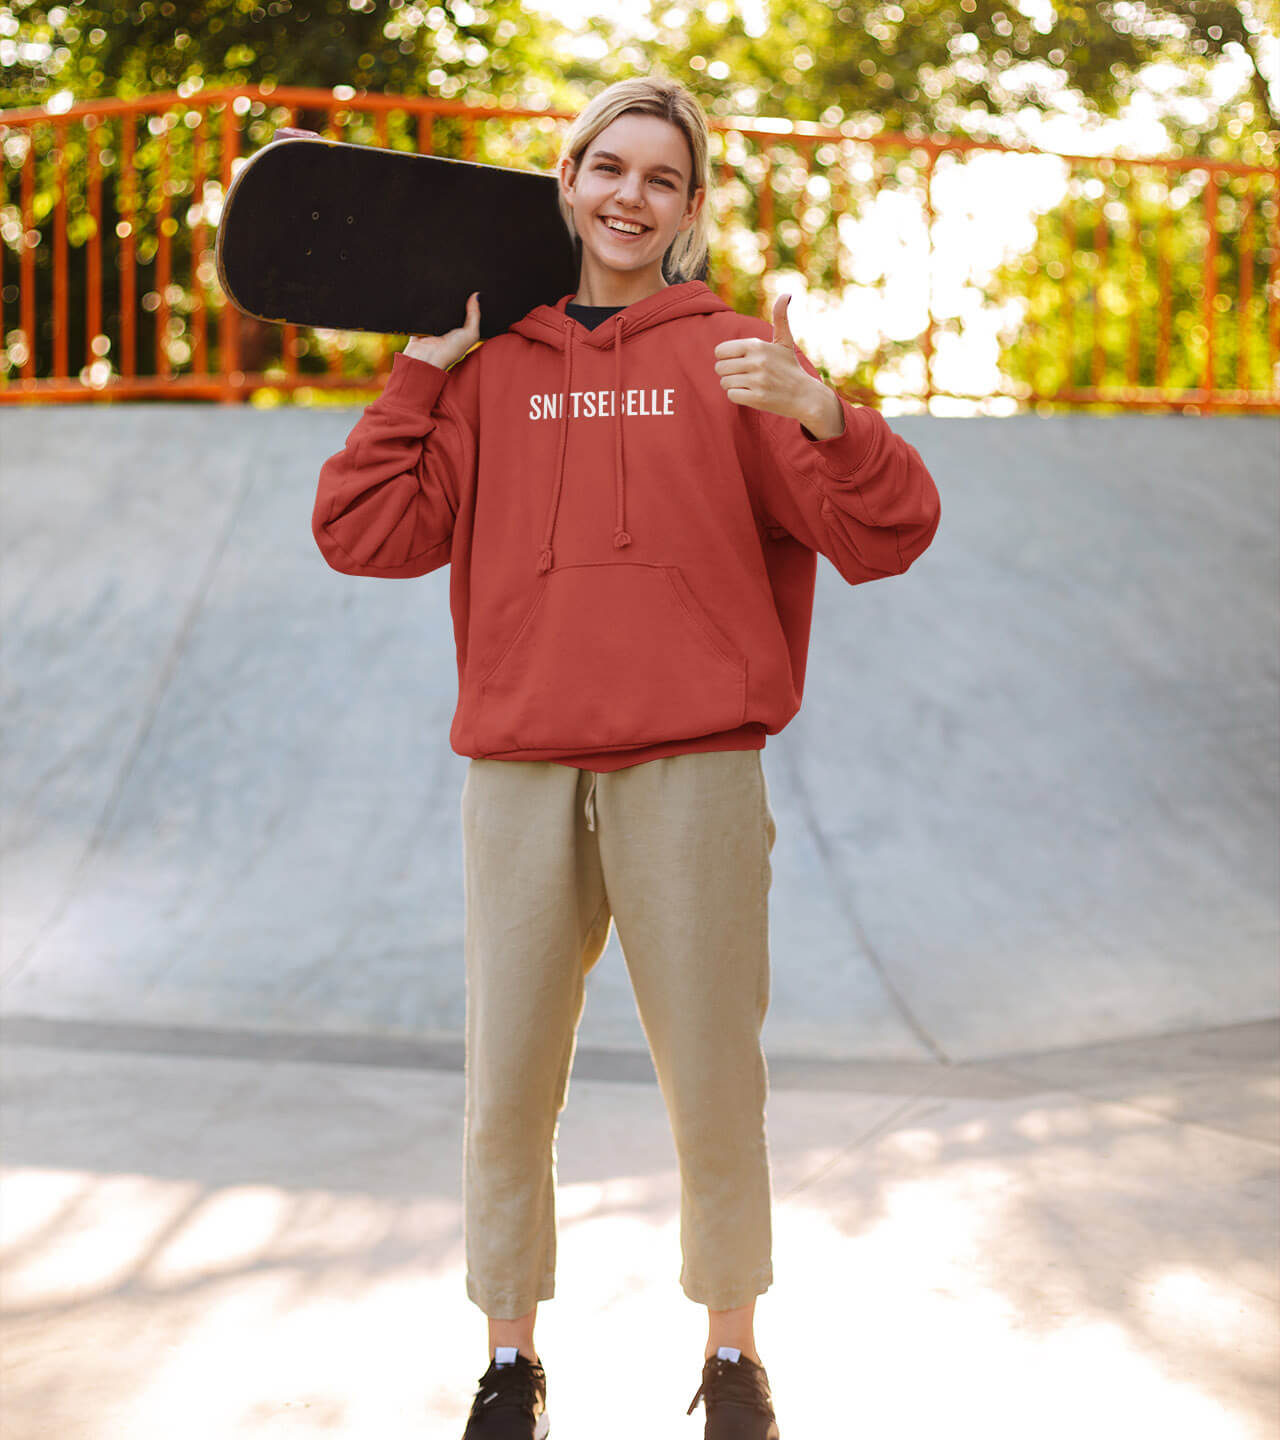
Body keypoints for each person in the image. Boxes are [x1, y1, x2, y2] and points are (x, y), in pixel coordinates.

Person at [312, 74, 941, 1440]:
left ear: (693, 205)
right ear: (567, 180)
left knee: (716, 1076)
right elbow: (364, 533)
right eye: (608, 166)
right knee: (509, 1080)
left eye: (662, 177)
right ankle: (508, 1358)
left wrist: (823, 409)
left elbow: (888, 533)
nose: (629, 197)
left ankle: (731, 1356)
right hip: (524, 770)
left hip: (693, 770)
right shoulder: (490, 365)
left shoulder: (733, 357)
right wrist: (425, 367)